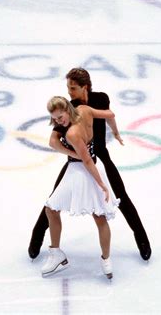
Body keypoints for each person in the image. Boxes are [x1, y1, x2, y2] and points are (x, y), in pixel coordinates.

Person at [29, 68, 152, 261]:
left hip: (100, 156)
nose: (69, 92)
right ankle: (36, 239)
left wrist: (116, 132)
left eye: (73, 88)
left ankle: (142, 240)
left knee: (121, 196)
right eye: (68, 87)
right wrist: (72, 153)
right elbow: (54, 140)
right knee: (54, 200)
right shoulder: (69, 108)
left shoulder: (101, 99)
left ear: (84, 87)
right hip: (76, 162)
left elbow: (109, 116)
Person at [41, 96, 120, 278]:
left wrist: (101, 184)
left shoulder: (72, 133)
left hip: (82, 171)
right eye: (54, 118)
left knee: (98, 216)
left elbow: (84, 160)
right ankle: (58, 254)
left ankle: (105, 260)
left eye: (60, 117)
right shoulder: (84, 109)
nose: (58, 122)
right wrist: (115, 131)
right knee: (51, 209)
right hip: (91, 165)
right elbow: (110, 114)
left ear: (68, 110)